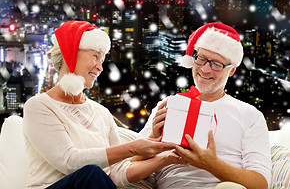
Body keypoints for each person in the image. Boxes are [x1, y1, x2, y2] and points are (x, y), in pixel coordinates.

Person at [23, 21, 185, 189]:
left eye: (102, 60)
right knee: (91, 174)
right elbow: (69, 162)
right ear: (69, 53)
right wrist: (133, 148)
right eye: (95, 56)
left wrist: (166, 158)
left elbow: (117, 174)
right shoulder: (38, 106)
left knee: (97, 176)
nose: (100, 67)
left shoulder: (101, 112)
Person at [139, 22, 272, 189]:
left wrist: (211, 164)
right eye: (201, 59)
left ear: (231, 70)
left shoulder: (249, 115)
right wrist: (153, 137)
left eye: (216, 64)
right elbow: (129, 163)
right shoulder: (168, 105)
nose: (205, 69)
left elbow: (261, 184)